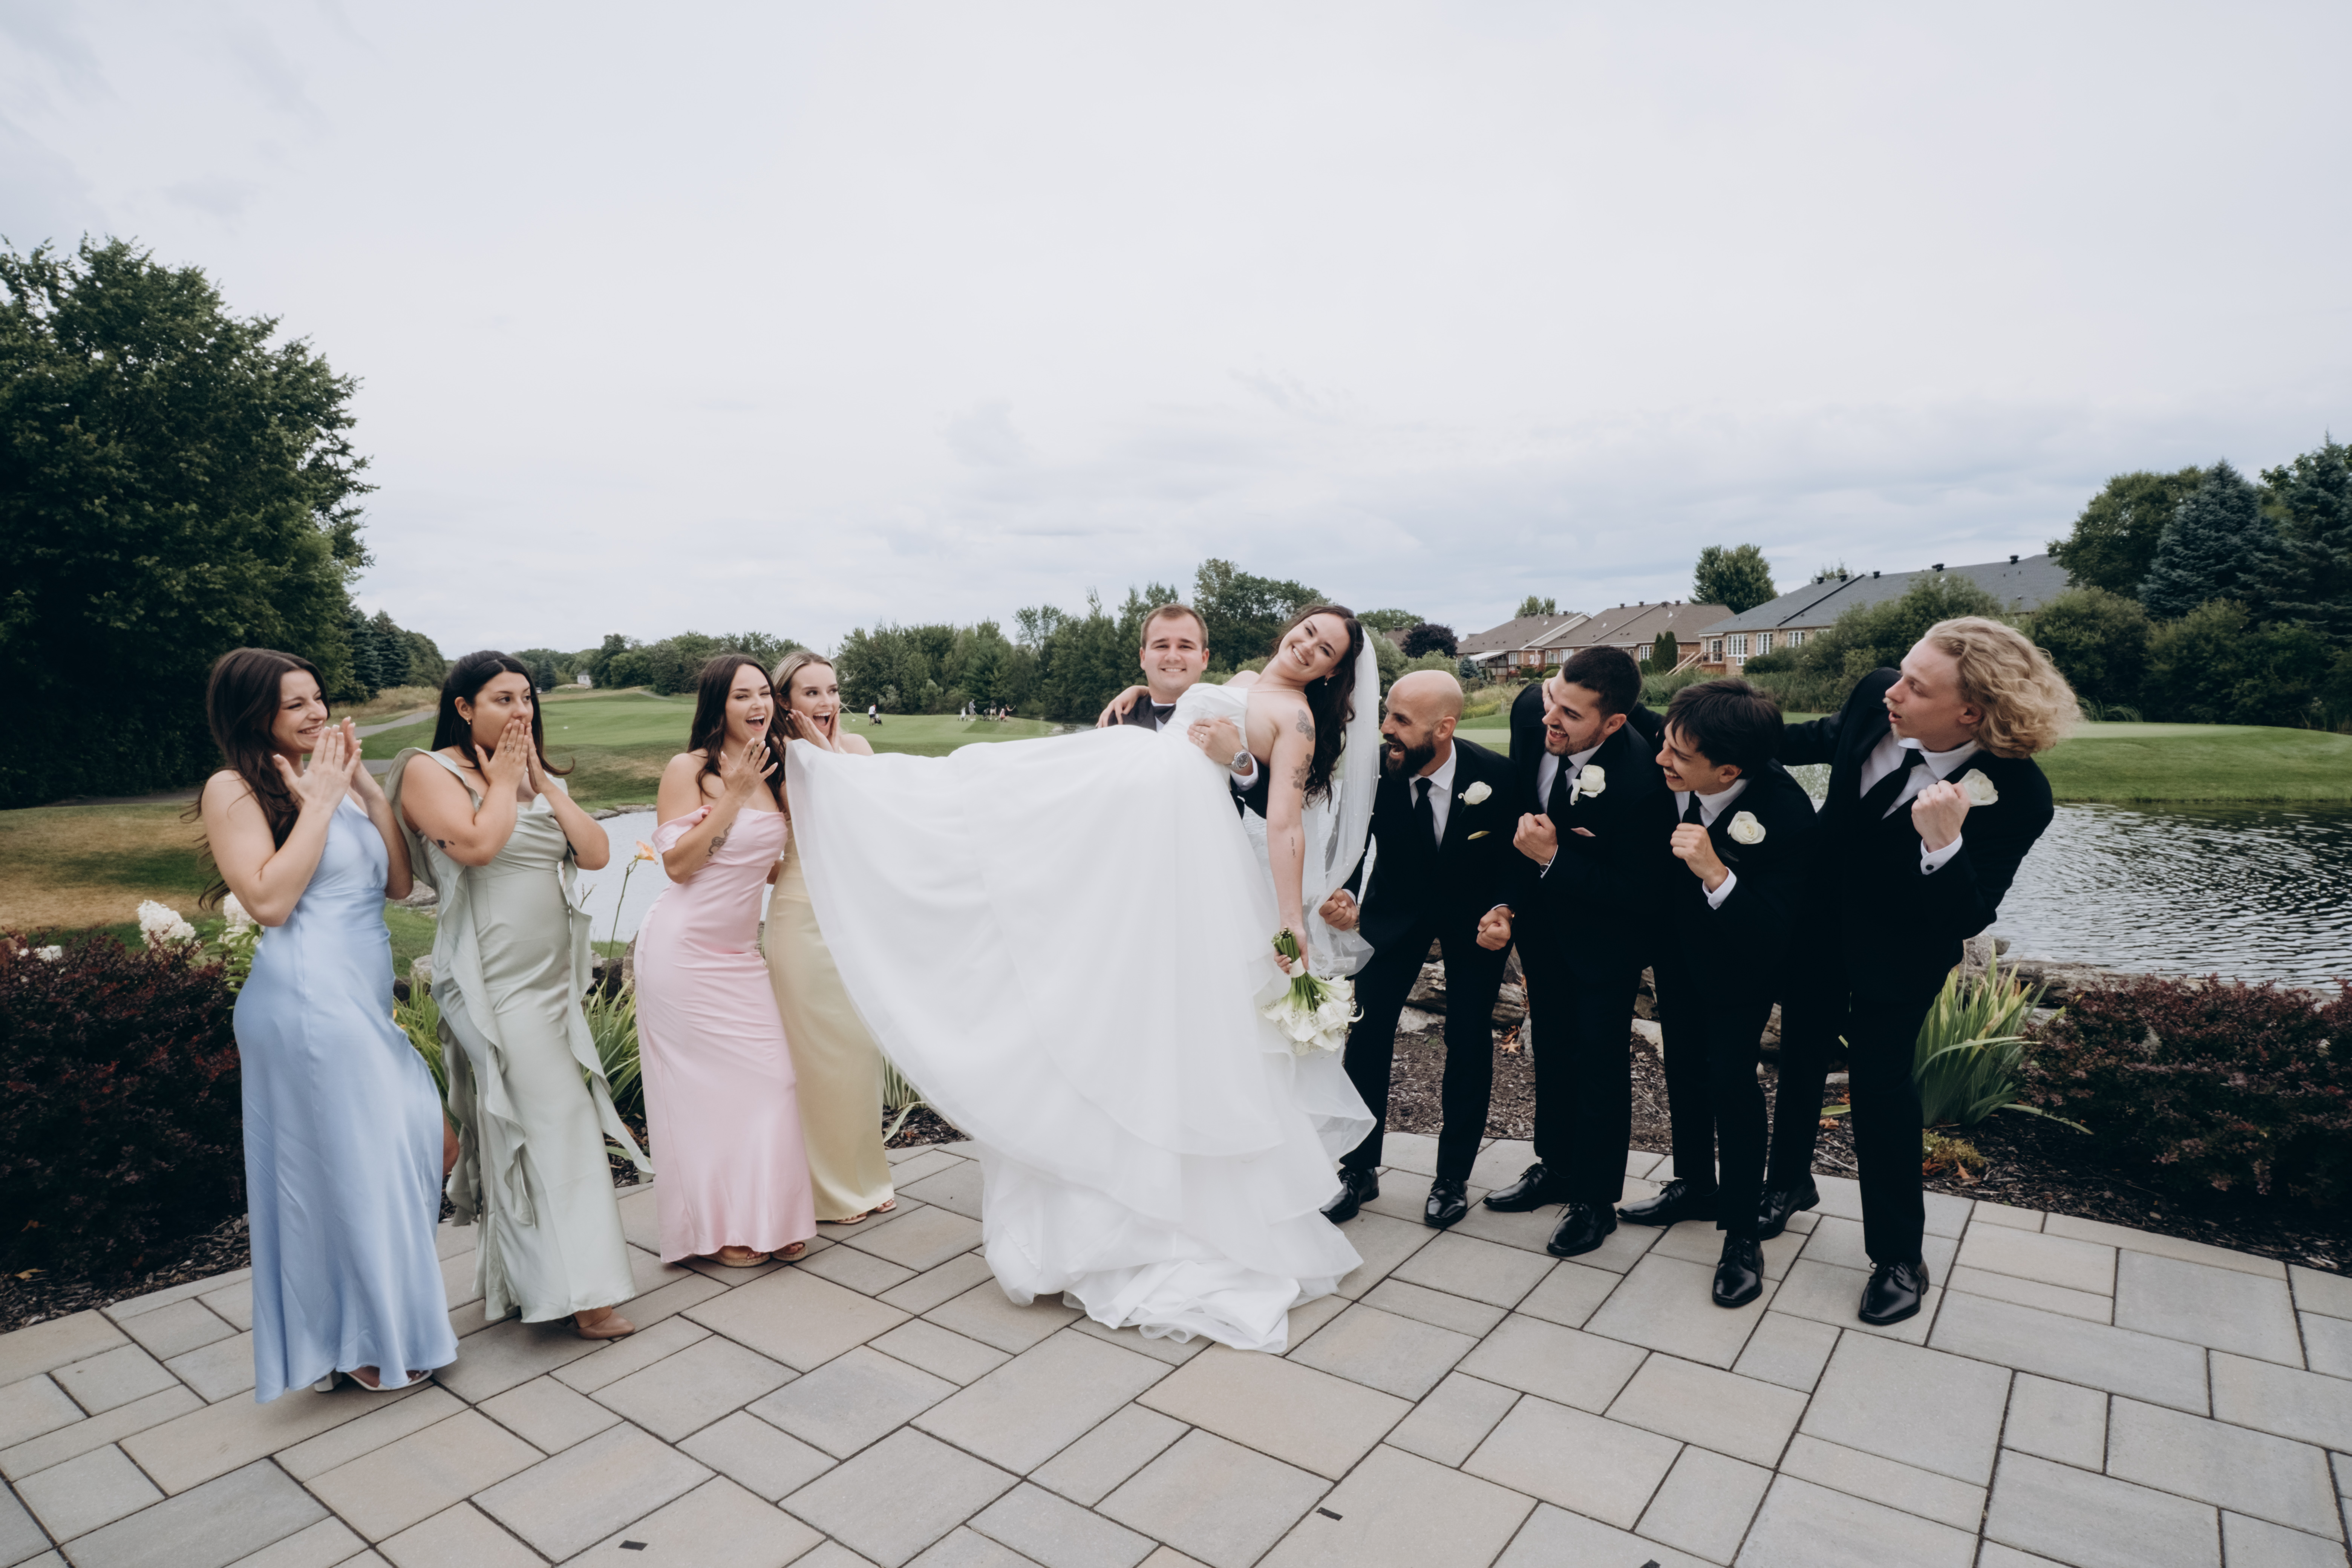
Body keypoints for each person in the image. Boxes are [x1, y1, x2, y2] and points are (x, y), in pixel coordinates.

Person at [785, 606, 1380, 1351]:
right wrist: (1149, 693)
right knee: (994, 788)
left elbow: (1285, 823)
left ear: (1333, 669)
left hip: (1185, 865)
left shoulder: (1297, 719)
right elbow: (1184, 707)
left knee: (1166, 1031)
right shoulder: (1242, 679)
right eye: (1306, 631)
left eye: (1325, 647)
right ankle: (846, 778)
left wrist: (1291, 918)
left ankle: (1167, 1224)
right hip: (1132, 837)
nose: (1307, 645)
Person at [1759, 617, 2072, 1325]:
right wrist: (1694, 731)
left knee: (1881, 1090)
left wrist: (1944, 846)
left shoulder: (2019, 794)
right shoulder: (1878, 701)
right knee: (1800, 1058)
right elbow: (1812, 738)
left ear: (1972, 713)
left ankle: (1899, 1257)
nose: (1893, 693)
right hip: (1815, 930)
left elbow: (1968, 914)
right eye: (1902, 674)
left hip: (1899, 955)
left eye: (1916, 687)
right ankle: (1786, 1186)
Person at [197, 648, 456, 1398]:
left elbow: (399, 885)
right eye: (295, 704)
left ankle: (356, 1330)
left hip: (358, 1000)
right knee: (353, 1167)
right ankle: (361, 1341)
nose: (317, 713)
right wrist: (318, 805)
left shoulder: (330, 782)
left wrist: (364, 791)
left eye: (318, 697)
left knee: (414, 1145)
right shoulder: (235, 788)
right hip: (307, 1001)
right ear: (255, 715)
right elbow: (269, 902)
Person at [389, 652, 649, 1341]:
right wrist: (503, 782)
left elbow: (595, 854)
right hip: (488, 980)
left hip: (551, 981)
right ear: (464, 707)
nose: (521, 711)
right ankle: (586, 1293)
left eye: (527, 698)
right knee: (556, 1119)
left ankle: (530, 1282)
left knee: (528, 1126)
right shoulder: (427, 770)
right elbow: (477, 846)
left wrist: (543, 785)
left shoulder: (534, 776)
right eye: (503, 699)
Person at [1625, 679, 1818, 1308]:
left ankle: (1741, 1237)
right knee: (1683, 1070)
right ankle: (1695, 1186)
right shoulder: (1683, 758)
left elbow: (1772, 930)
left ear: (1728, 771)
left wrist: (1716, 871)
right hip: (1677, 956)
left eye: (1678, 756)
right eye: (1665, 744)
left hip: (1744, 967)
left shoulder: (1786, 814)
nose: (1661, 759)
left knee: (1732, 1085)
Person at [1483, 647, 1676, 1258]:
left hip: (1607, 943)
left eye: (1571, 714)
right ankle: (1557, 1167)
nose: (1551, 721)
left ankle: (1595, 1202)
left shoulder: (1642, 780)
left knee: (1598, 1064)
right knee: (1552, 1048)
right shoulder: (1530, 717)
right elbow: (1519, 814)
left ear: (1613, 722)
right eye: (1553, 701)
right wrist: (1506, 903)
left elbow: (1638, 892)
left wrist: (1554, 859)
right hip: (1542, 931)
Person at [1315, 671, 1519, 1228]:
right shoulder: (1376, 771)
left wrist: (1505, 910)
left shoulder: (1497, 775)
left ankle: (1452, 1177)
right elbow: (1353, 847)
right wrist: (1346, 893)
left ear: (1444, 728)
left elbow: (1512, 858)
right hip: (1394, 913)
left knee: (1469, 1038)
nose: (1386, 728)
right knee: (1368, 1033)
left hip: (1473, 922)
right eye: (1387, 713)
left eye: (1401, 720)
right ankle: (1358, 1170)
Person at [635, 655, 818, 1268]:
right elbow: (680, 865)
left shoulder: (774, 766)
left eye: (764, 692)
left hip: (739, 954)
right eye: (742, 695)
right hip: (683, 952)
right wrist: (734, 797)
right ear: (718, 704)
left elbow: (764, 866)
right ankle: (719, 1231)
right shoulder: (689, 770)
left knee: (773, 1079)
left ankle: (771, 1216)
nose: (757, 704)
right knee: (704, 1095)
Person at [765, 650, 898, 1225]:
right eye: (812, 693)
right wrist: (817, 750)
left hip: (853, 918)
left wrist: (831, 749)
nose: (827, 703)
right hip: (800, 916)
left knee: (857, 1051)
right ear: (786, 702)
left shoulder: (858, 748)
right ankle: (827, 1191)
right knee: (815, 1055)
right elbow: (818, 821)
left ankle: (867, 1175)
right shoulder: (778, 759)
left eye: (833, 690)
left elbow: (875, 827)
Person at [1096, 602, 1268, 811]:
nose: (1173, 656)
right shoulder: (1116, 719)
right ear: (1143, 657)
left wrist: (1239, 759)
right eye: (1162, 646)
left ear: (1204, 659)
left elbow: (1270, 808)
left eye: (1185, 646)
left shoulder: (1231, 713)